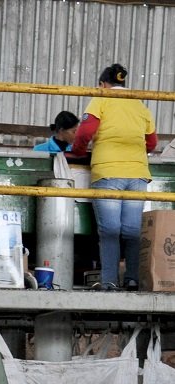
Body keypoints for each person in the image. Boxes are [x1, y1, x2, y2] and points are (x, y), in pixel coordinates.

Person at [68, 63, 158, 291]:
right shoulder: (140, 104)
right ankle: (132, 279)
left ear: (102, 84)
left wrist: (78, 152)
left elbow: (85, 132)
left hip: (108, 171)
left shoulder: (101, 99)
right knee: (131, 230)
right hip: (137, 173)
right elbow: (152, 143)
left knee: (109, 230)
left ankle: (109, 282)